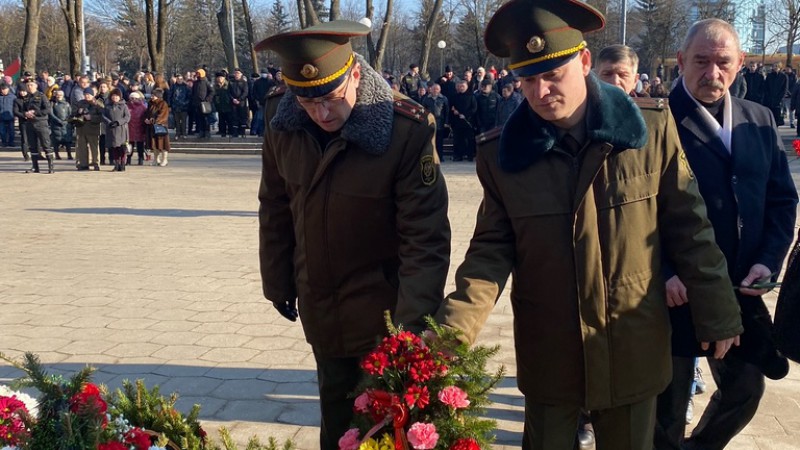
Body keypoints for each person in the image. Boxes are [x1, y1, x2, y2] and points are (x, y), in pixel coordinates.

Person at [432, 1, 743, 449]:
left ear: (582, 62)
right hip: (550, 352)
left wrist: (718, 310)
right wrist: (451, 334)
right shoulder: (502, 156)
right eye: (527, 79)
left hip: (631, 346)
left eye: (552, 75)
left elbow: (689, 226)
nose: (539, 92)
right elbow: (489, 253)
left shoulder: (649, 131)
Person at [254, 20, 451, 450]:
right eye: (307, 102)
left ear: (356, 75)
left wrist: (410, 328)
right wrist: (278, 281)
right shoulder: (280, 118)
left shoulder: (406, 130)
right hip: (321, 307)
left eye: (330, 98)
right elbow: (275, 204)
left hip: (383, 315)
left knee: (383, 431)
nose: (321, 114)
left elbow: (425, 238)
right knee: (336, 422)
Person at [654, 19, 798, 450]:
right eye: (701, 61)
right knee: (667, 407)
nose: (712, 73)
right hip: (676, 290)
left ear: (740, 66)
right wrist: (661, 272)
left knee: (746, 388)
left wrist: (768, 260)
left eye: (723, 63)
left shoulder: (760, 118)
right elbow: (632, 212)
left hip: (741, 286)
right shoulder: (654, 121)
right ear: (681, 61)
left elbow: (781, 200)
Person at [21, 78, 55, 173]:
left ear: (36, 86)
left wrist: (35, 112)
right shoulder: (26, 97)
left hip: (41, 123)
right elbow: (22, 110)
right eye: (28, 86)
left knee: (46, 144)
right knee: (32, 146)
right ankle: (35, 167)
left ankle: (50, 166)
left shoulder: (41, 96)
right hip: (30, 124)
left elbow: (47, 109)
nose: (29, 87)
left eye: (31, 85)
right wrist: (26, 114)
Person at [72, 87, 104, 171]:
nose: (87, 96)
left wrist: (91, 117)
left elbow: (102, 116)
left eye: (88, 94)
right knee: (81, 147)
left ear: (92, 95)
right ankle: (83, 164)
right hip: (81, 128)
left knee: (94, 148)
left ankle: (95, 163)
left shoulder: (98, 104)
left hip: (93, 129)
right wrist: (78, 113)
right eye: (85, 94)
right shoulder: (80, 103)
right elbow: (73, 114)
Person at [103, 88, 131, 172]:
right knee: (114, 148)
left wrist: (118, 122)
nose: (115, 97)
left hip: (121, 129)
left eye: (116, 96)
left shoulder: (124, 106)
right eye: (113, 96)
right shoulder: (107, 106)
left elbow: (127, 117)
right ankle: (116, 164)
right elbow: (103, 116)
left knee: (122, 148)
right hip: (111, 130)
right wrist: (109, 122)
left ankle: (122, 164)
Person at [420, 82, 449, 161]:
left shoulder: (444, 99)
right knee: (430, 140)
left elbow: (446, 111)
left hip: (440, 122)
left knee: (439, 141)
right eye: (434, 89)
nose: (435, 91)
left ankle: (440, 156)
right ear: (431, 90)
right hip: (429, 122)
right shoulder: (426, 98)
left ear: (439, 90)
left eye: (437, 89)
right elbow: (423, 110)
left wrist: (446, 122)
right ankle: (431, 156)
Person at [449, 79, 477, 161]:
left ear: (466, 87)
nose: (461, 88)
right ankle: (458, 156)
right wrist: (454, 112)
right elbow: (451, 108)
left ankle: (470, 156)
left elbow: (474, 108)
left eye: (463, 86)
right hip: (457, 122)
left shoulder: (471, 96)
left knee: (469, 140)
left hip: (468, 121)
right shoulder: (455, 96)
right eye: (460, 86)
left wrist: (465, 115)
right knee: (458, 140)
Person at [145, 88, 170, 166]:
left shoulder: (163, 104)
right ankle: (156, 159)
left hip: (161, 127)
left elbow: (163, 115)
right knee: (154, 144)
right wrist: (146, 119)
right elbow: (147, 113)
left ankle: (164, 159)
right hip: (152, 127)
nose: (152, 97)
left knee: (163, 144)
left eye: (154, 95)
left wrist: (154, 121)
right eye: (152, 95)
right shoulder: (150, 103)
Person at [49, 89, 74, 160]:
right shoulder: (52, 103)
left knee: (67, 141)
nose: (59, 96)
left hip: (66, 125)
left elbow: (70, 113)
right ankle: (57, 154)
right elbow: (51, 113)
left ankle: (69, 154)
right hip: (56, 125)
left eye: (60, 95)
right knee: (56, 141)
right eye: (57, 95)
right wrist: (58, 120)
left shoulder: (67, 104)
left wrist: (67, 120)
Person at [191, 68, 214, 139]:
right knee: (199, 119)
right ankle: (201, 131)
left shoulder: (206, 82)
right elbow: (193, 92)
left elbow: (212, 91)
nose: (197, 75)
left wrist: (207, 99)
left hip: (205, 103)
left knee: (206, 118)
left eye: (199, 73)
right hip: (197, 104)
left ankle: (207, 132)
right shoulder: (195, 83)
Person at [127, 91, 147, 165]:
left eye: (135, 98)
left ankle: (140, 159)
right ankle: (128, 159)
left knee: (140, 146)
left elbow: (145, 116)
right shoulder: (127, 106)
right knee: (129, 146)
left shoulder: (143, 107)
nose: (133, 100)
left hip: (140, 128)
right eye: (132, 98)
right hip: (130, 128)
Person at [169, 75, 191, 140]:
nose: (179, 80)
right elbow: (170, 96)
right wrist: (170, 105)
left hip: (184, 106)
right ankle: (177, 133)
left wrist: (185, 103)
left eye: (181, 79)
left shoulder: (186, 87)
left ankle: (184, 133)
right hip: (175, 106)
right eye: (178, 79)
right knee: (177, 121)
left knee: (184, 121)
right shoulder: (173, 87)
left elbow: (189, 96)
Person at [229, 68, 249, 137]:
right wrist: (233, 99)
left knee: (242, 117)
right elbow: (229, 92)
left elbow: (245, 92)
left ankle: (242, 132)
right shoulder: (231, 82)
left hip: (242, 103)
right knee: (234, 117)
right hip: (233, 102)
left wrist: (239, 99)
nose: (236, 75)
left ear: (241, 74)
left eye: (238, 73)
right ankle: (235, 132)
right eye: (235, 73)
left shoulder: (244, 82)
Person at [213, 72, 233, 138]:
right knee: (221, 121)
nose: (220, 79)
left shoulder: (228, 85)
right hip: (220, 106)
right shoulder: (215, 86)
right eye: (218, 78)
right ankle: (223, 132)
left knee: (229, 120)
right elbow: (214, 96)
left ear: (224, 78)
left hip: (228, 105)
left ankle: (230, 132)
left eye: (221, 77)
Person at [0, 83, 16, 147]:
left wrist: (16, 114)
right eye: (2, 89)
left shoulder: (13, 97)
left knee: (11, 131)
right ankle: (4, 142)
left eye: (5, 89)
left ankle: (11, 142)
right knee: (2, 131)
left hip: (10, 116)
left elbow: (15, 107)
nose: (4, 91)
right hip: (1, 117)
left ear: (8, 89)